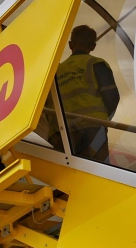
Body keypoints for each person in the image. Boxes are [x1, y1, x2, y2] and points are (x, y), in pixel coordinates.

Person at [50, 25, 120, 162]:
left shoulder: (55, 71)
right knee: (98, 170)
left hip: (60, 132)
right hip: (93, 127)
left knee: (66, 172)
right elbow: (112, 98)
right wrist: (102, 120)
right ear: (93, 46)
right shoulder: (96, 64)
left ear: (71, 45)